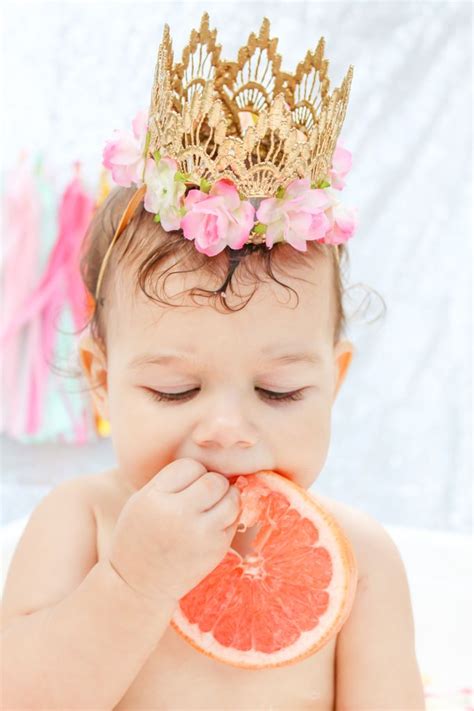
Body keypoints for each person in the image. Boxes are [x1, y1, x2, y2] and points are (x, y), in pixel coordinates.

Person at [1, 13, 426, 710]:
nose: (226, 428)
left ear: (334, 380)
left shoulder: (358, 559)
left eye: (280, 390)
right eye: (174, 389)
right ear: (104, 382)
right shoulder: (82, 523)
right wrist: (132, 583)